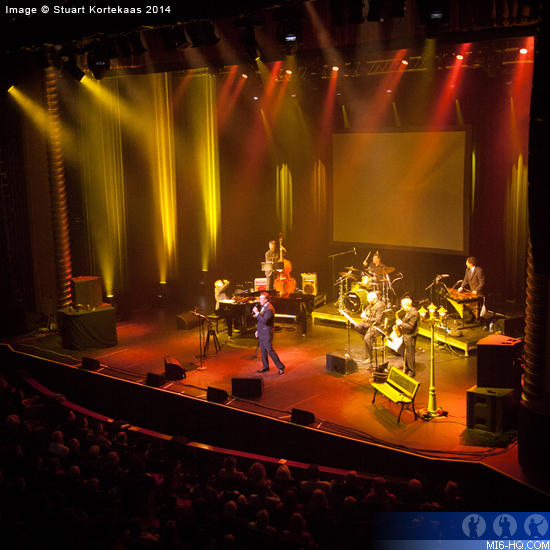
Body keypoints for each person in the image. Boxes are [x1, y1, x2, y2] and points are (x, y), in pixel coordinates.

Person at [253, 292, 286, 375]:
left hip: (267, 333)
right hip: (261, 331)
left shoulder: (269, 309)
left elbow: (264, 321)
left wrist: (256, 313)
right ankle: (265, 367)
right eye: (259, 298)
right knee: (263, 350)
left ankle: (281, 367)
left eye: (261, 299)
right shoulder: (263, 306)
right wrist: (258, 330)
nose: (259, 300)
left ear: (266, 299)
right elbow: (260, 320)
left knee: (270, 350)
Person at [355, 291, 385, 367]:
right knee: (358, 326)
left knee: (367, 338)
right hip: (370, 324)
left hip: (377, 326)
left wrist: (367, 319)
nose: (367, 299)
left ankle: (369, 358)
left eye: (368, 298)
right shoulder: (371, 304)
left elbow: (378, 320)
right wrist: (364, 313)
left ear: (374, 299)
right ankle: (369, 339)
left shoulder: (380, 306)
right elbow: (366, 310)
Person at [395, 297, 419, 377]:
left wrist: (400, 323)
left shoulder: (413, 313)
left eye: (402, 305)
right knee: (406, 354)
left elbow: (411, 326)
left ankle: (411, 372)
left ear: (406, 305)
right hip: (406, 335)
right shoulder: (409, 311)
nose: (401, 307)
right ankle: (407, 369)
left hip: (410, 336)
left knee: (410, 354)